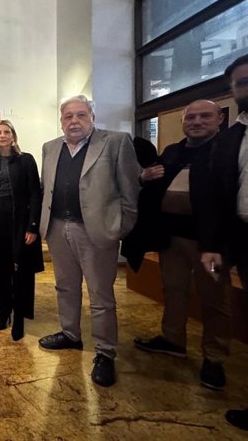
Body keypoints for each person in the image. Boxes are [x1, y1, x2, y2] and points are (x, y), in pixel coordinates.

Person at [38, 95, 140, 387]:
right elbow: (47, 188)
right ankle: (70, 334)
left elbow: (130, 190)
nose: (74, 121)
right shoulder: (50, 148)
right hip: (58, 228)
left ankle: (105, 353)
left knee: (100, 294)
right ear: (61, 120)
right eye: (68, 116)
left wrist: (120, 227)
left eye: (81, 115)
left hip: (96, 231)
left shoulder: (115, 142)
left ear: (92, 116)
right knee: (65, 286)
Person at [132, 100, 231, 391]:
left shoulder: (225, 152)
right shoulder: (174, 151)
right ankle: (173, 339)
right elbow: (151, 181)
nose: (197, 121)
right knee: (173, 290)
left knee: (214, 297)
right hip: (171, 240)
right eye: (191, 117)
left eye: (205, 116)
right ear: (184, 121)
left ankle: (214, 357)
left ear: (220, 119)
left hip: (209, 245)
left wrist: (220, 242)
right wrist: (142, 176)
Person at [199, 55, 248, 431]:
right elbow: (218, 194)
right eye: (241, 82)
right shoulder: (232, 138)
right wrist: (213, 244)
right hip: (238, 237)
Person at [0, 121, 43, 340]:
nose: (3, 135)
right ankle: (4, 311)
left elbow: (36, 193)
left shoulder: (26, 160)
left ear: (13, 136)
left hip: (20, 223)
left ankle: (19, 316)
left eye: (7, 132)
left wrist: (33, 225)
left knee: (21, 271)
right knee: (0, 269)